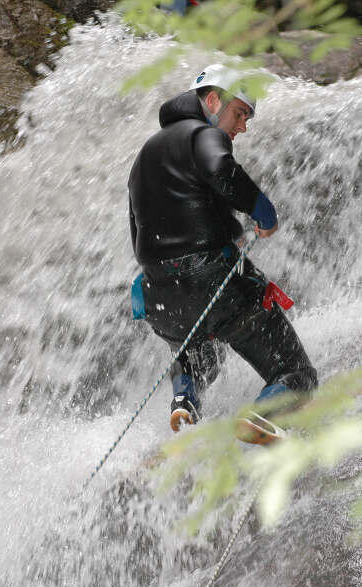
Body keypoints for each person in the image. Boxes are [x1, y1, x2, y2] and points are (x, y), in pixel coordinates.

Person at [128, 64, 317, 444]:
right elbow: (221, 167)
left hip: (159, 294)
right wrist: (264, 212)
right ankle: (261, 417)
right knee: (297, 373)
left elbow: (136, 228)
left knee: (200, 350)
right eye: (240, 113)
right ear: (213, 100)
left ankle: (185, 398)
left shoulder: (144, 157)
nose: (242, 126)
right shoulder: (202, 135)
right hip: (213, 279)